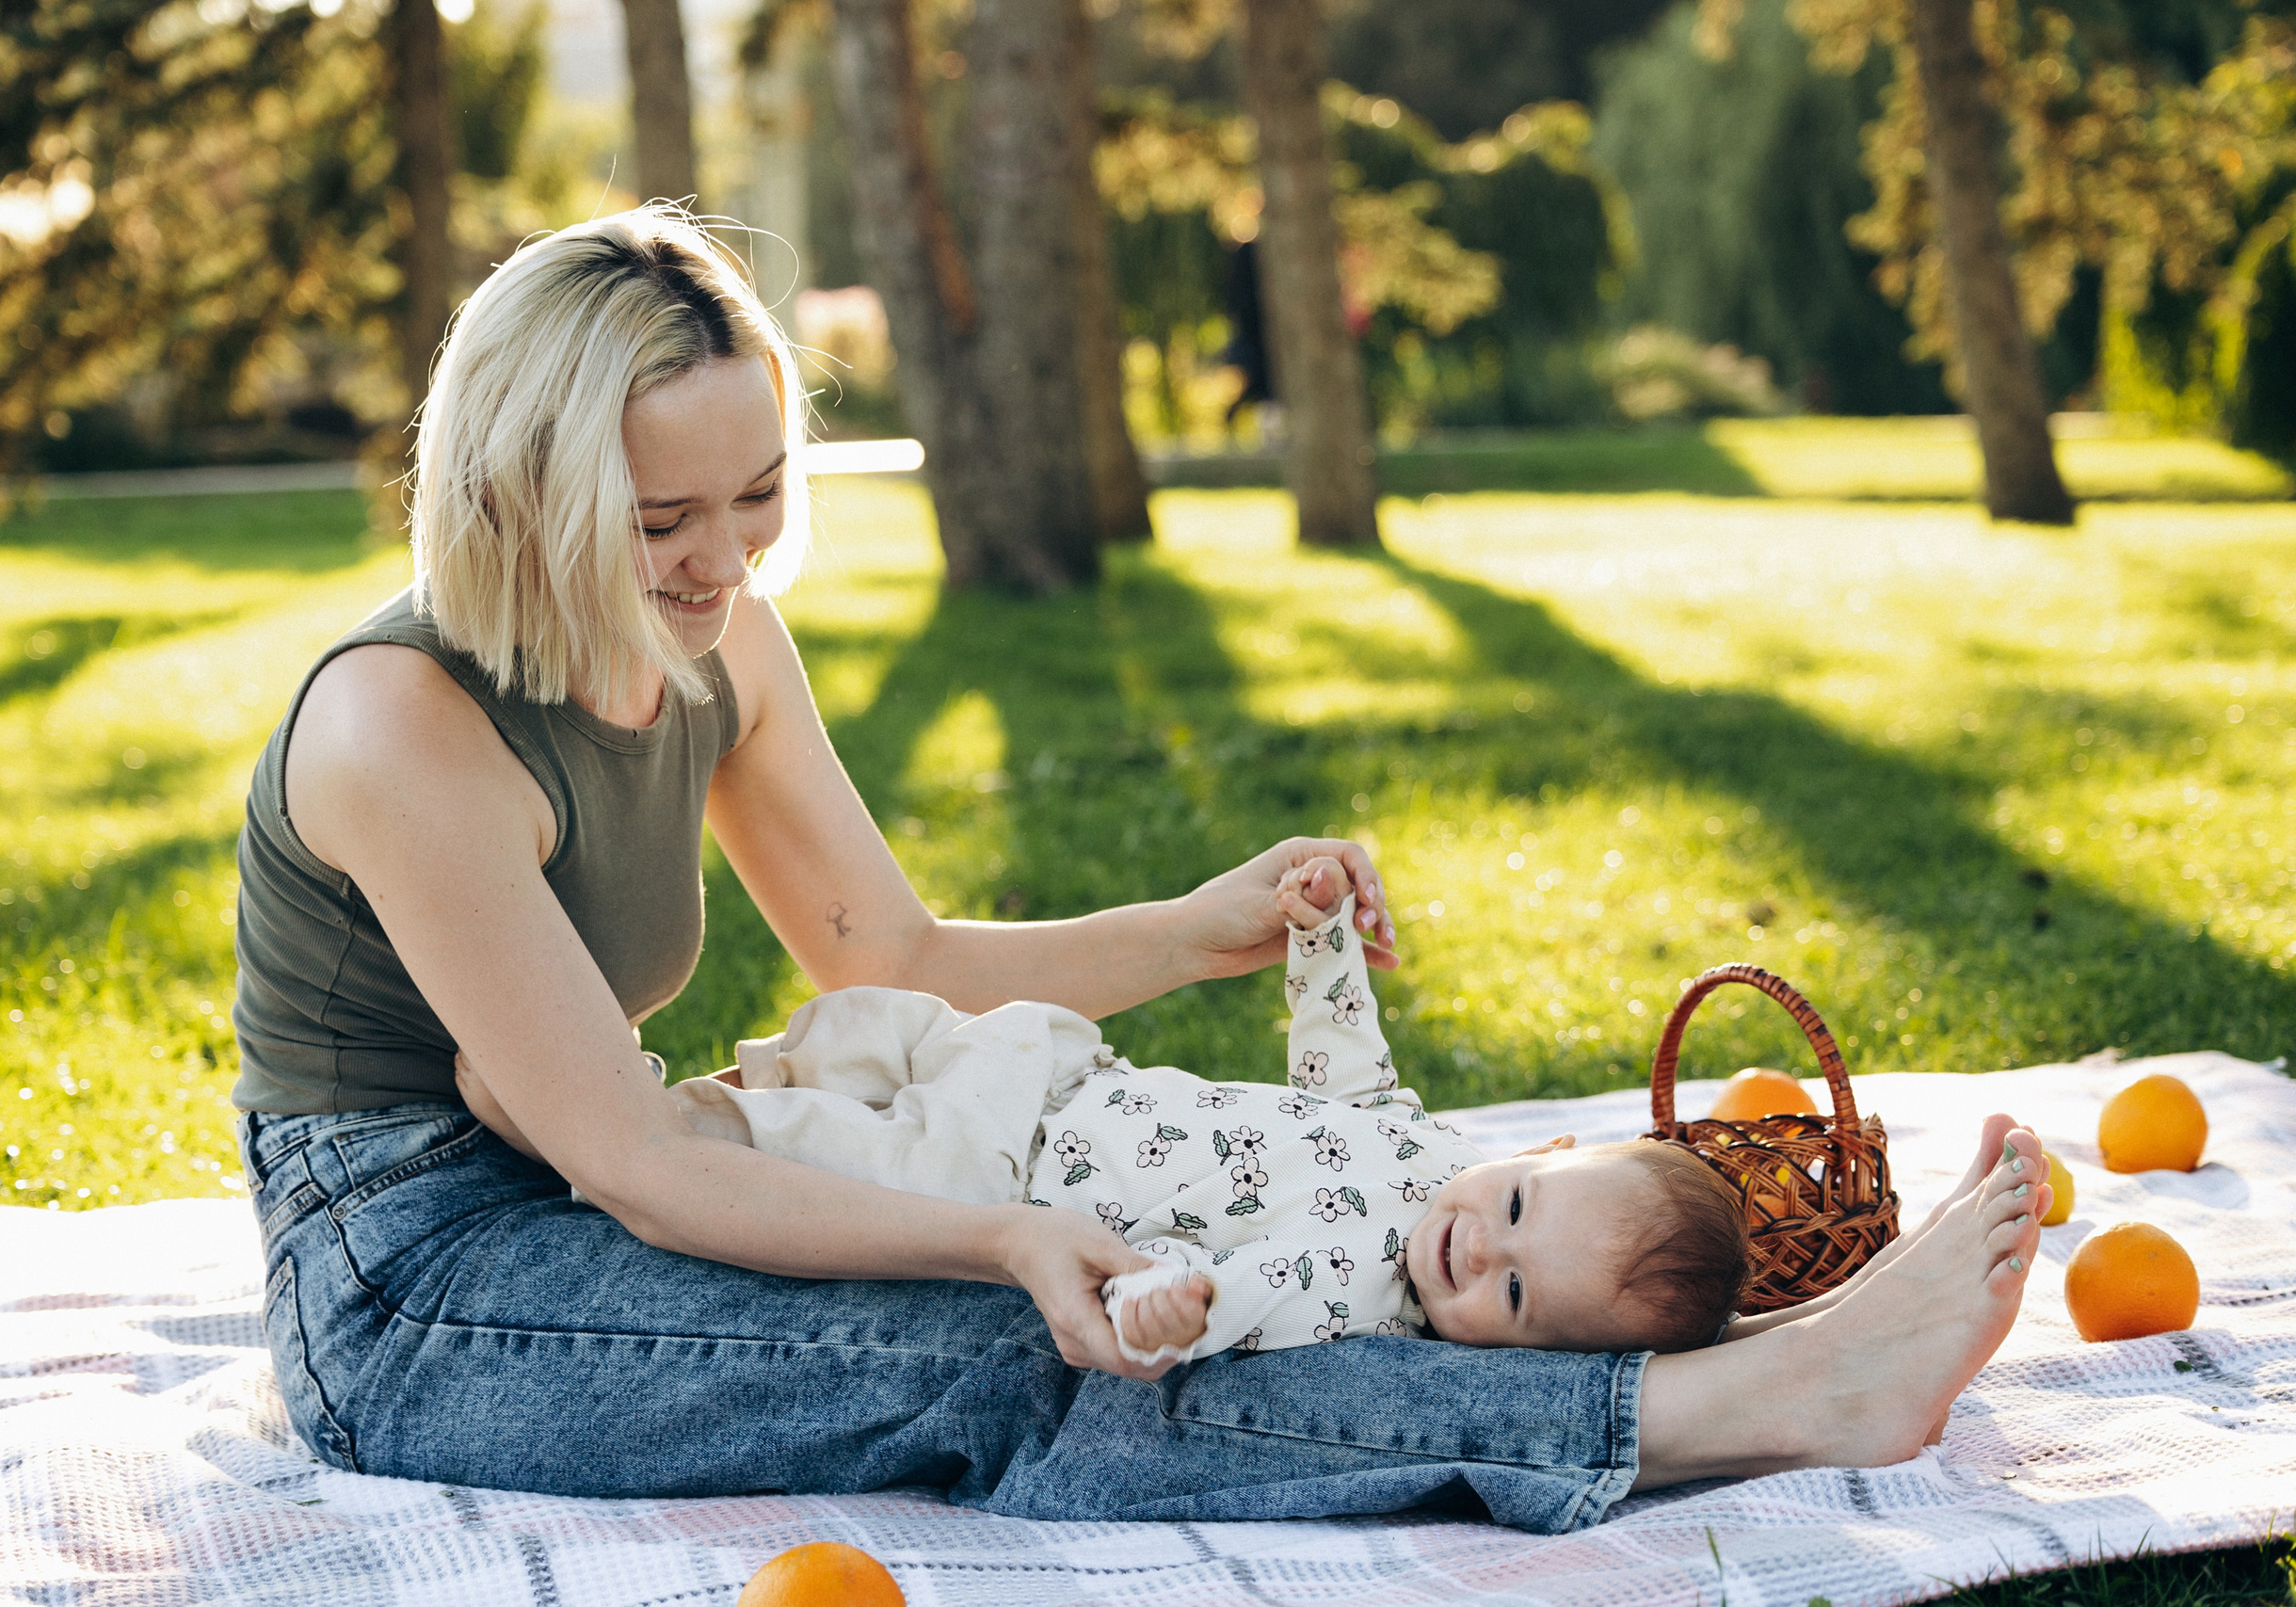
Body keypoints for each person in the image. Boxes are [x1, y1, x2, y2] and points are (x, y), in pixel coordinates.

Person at [232, 204, 2053, 1533]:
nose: (724, 565)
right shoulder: (403, 729)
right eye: (658, 524)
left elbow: (897, 957)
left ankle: (1706, 1385)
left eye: (760, 493)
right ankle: (1735, 1405)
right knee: (1034, 1350)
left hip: (601, 1183)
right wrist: (1001, 1239)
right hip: (409, 1280)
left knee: (1137, 1284)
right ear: (519, 497)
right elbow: (630, 1164)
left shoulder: (722, 650)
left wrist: (1202, 934)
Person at [461, 857, 1746, 1368]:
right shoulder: (1428, 1146)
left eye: (1516, 1296)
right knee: (861, 1027)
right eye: (1520, 1207)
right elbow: (1343, 1065)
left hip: (987, 1179)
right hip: (1053, 1073)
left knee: (819, 1150)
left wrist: (1161, 1311)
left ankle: (595, 1115)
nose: (1483, 1249)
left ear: (1522, 1355)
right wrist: (1319, 936)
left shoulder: (1356, 1297)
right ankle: (678, 1091)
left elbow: (1218, 1293)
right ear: (1545, 1152)